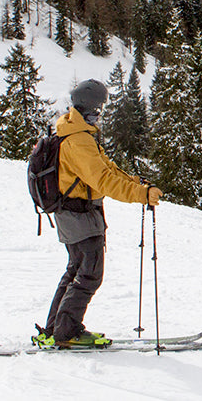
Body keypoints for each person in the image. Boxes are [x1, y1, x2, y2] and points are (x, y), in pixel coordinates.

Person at [32, 79, 162, 348]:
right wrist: (139, 195)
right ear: (87, 107)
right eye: (97, 108)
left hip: (75, 216)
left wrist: (135, 184)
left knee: (75, 271)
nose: (99, 114)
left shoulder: (77, 133)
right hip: (78, 216)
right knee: (89, 274)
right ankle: (66, 333)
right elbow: (101, 180)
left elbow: (107, 168)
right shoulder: (78, 141)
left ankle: (54, 328)